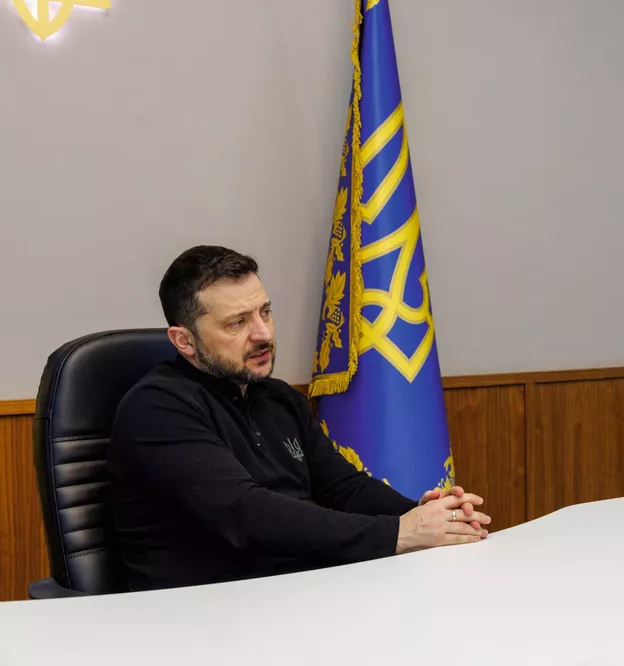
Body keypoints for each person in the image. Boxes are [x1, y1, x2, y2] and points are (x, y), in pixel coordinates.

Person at [108, 245, 490, 591]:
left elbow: (345, 488)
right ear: (184, 341)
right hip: (202, 614)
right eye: (237, 323)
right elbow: (247, 515)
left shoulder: (278, 398)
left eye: (265, 312)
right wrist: (398, 533)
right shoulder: (157, 407)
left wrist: (425, 515)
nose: (263, 334)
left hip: (296, 593)